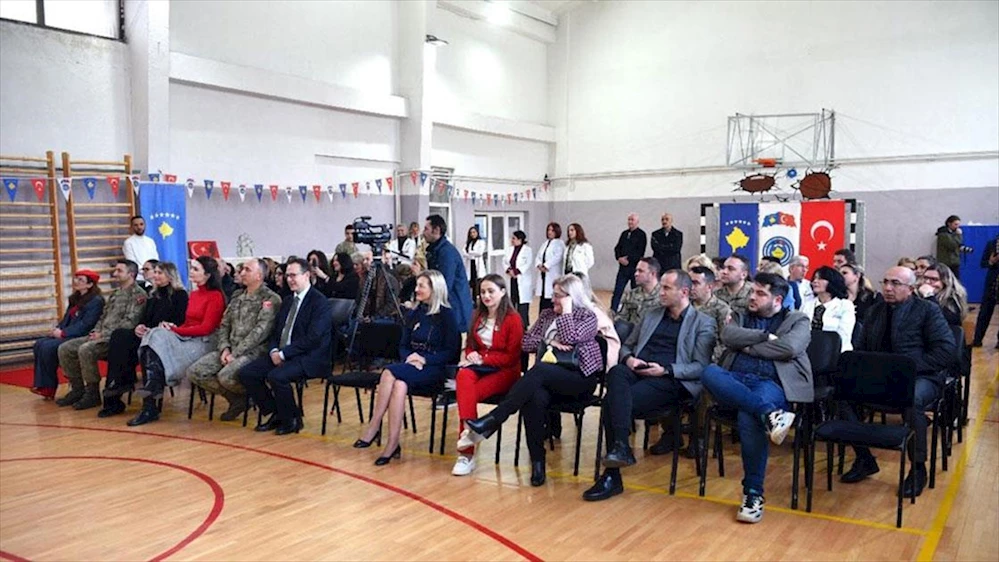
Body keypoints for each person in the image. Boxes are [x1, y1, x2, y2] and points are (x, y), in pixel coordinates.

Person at [583, 269, 716, 501]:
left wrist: (666, 369)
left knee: (612, 403)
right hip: (639, 371)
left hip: (671, 380)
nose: (660, 292)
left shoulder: (702, 323)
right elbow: (627, 345)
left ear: (684, 292)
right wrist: (629, 359)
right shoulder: (651, 314)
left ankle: (612, 474)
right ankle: (621, 448)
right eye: (661, 286)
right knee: (617, 372)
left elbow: (700, 366)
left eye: (666, 288)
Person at [462, 274, 603, 487]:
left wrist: (566, 312)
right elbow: (526, 343)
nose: (553, 299)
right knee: (533, 397)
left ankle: (494, 420)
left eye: (558, 296)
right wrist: (549, 341)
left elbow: (570, 338)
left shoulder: (587, 316)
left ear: (571, 296)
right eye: (553, 294)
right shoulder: (547, 315)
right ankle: (538, 462)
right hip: (547, 379)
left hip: (578, 378)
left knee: (539, 371)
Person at [700, 272, 812, 524]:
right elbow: (728, 336)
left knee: (747, 415)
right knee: (709, 372)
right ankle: (769, 414)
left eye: (760, 293)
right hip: (735, 379)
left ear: (777, 300)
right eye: (752, 291)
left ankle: (753, 494)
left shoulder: (798, 320)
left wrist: (747, 345)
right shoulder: (740, 314)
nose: (752, 297)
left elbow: (789, 348)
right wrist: (764, 336)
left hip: (772, 383)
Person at [839, 266, 954, 498]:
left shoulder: (927, 311)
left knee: (912, 400)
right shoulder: (875, 311)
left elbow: (946, 351)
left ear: (911, 288)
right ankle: (864, 458)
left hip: (921, 376)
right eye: (885, 282)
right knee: (841, 395)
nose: (888, 288)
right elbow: (861, 347)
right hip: (882, 375)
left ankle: (918, 467)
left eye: (895, 283)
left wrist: (907, 366)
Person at [354, 270, 461, 464]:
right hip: (412, 365)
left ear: (435, 289)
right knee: (399, 385)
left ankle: (374, 426)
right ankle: (392, 443)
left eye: (421, 286)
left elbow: (452, 352)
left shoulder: (447, 316)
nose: (416, 289)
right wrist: (410, 358)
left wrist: (425, 360)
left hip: (435, 368)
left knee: (388, 372)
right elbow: (403, 345)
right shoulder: (415, 313)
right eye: (417, 285)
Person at [127, 256, 226, 426]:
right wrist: (172, 327)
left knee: (155, 338)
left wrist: (176, 330)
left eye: (196, 269)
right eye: (192, 268)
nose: (191, 272)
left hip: (205, 341)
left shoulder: (215, 296)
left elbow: (206, 328)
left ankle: (150, 398)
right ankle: (151, 395)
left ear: (208, 275)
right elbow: (188, 323)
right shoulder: (194, 294)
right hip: (189, 336)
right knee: (155, 333)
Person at [239, 258, 333, 435]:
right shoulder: (288, 301)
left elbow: (313, 338)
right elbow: (276, 331)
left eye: (293, 275)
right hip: (283, 352)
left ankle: (291, 420)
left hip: (309, 357)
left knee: (277, 376)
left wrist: (283, 354)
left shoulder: (319, 302)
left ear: (306, 275)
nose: (289, 279)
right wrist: (275, 350)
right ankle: (277, 412)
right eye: (287, 275)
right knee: (247, 373)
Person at [187, 258, 282, 421]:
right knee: (196, 372)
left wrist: (235, 354)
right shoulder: (238, 296)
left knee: (226, 376)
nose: (242, 273)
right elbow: (225, 324)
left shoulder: (270, 299)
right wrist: (225, 348)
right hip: (230, 349)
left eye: (247, 270)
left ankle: (257, 395)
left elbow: (260, 332)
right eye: (242, 269)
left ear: (259, 276)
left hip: (254, 352)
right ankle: (239, 400)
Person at [450, 274, 525, 475]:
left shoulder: (513, 319)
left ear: (503, 292)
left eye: (491, 291)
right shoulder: (477, 315)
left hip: (505, 371)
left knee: (466, 394)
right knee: (463, 376)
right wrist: (470, 354)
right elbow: (470, 345)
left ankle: (466, 453)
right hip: (481, 368)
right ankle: (473, 433)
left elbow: (511, 357)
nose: (486, 296)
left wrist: (483, 359)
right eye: (482, 292)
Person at [99, 262, 188, 417]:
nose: (156, 275)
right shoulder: (153, 295)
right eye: (156, 272)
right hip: (149, 333)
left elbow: (179, 320)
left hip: (166, 337)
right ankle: (117, 385)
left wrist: (163, 327)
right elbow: (146, 319)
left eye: (160, 273)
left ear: (170, 276)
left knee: (141, 346)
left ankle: (144, 401)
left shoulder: (179, 295)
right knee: (119, 335)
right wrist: (140, 327)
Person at [55, 261, 147, 409]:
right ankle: (78, 389)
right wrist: (96, 331)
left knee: (86, 349)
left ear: (131, 274)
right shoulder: (115, 294)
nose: (115, 274)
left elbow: (130, 323)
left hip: (116, 340)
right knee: (65, 348)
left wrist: (103, 334)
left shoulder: (138, 295)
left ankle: (92, 394)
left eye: (119, 271)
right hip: (100, 335)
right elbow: (103, 317)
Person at [30, 270, 104, 400]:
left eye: (81, 280)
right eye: (76, 278)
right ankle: (43, 385)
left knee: (48, 347)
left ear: (90, 284)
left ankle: (49, 387)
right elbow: (67, 318)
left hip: (82, 335)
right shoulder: (75, 299)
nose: (76, 282)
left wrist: (63, 333)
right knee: (39, 344)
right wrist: (58, 329)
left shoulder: (96, 301)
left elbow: (86, 324)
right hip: (69, 333)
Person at [424, 214, 472, 332]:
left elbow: (444, 285)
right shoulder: (437, 250)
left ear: (436, 230)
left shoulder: (446, 253)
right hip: (449, 306)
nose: (423, 233)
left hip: (455, 309)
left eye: (426, 229)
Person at [801, 266, 855, 353]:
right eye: (814, 278)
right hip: (808, 350)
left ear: (832, 282)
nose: (815, 281)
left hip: (837, 352)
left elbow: (844, 334)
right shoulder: (807, 304)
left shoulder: (845, 305)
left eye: (820, 278)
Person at [611, 214, 647, 312]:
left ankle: (635, 312)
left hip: (634, 268)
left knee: (635, 292)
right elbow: (617, 248)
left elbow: (640, 252)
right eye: (629, 220)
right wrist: (619, 258)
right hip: (623, 268)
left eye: (632, 220)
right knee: (618, 291)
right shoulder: (624, 233)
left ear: (637, 222)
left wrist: (628, 260)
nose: (630, 222)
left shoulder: (641, 235)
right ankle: (613, 311)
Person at [918, 263, 968, 328]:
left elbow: (945, 320)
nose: (927, 282)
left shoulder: (953, 297)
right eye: (925, 278)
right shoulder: (916, 293)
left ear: (945, 282)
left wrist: (929, 296)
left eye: (934, 279)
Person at [615, 257, 662, 325]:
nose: (636, 274)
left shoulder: (664, 296)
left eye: (641, 271)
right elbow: (621, 319)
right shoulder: (630, 295)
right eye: (636, 271)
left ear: (652, 274)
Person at [971, 235, 999, 348]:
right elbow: (983, 263)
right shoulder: (991, 244)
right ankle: (977, 339)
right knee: (984, 314)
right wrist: (991, 262)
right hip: (992, 285)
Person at [504, 231, 534, 329]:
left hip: (522, 279)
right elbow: (505, 261)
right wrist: (509, 270)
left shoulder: (527, 250)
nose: (512, 240)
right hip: (512, 279)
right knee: (512, 302)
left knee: (522, 304)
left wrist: (516, 271)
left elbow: (528, 263)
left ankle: (523, 325)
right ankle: (513, 325)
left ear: (520, 240)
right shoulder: (509, 249)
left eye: (514, 238)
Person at [534, 222, 565, 314]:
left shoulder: (560, 243)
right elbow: (538, 256)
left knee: (551, 297)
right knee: (543, 297)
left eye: (552, 230)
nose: (549, 232)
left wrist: (546, 265)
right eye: (548, 230)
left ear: (557, 231)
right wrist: (539, 265)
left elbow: (557, 257)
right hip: (543, 275)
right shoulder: (545, 243)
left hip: (552, 273)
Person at [122, 215, 159, 282]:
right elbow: (132, 264)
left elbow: (155, 260)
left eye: (141, 224)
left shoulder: (150, 241)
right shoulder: (128, 242)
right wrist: (146, 271)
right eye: (136, 225)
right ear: (132, 227)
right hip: (139, 279)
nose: (139, 227)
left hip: (153, 276)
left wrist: (153, 272)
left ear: (145, 225)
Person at [936, 215, 969, 280]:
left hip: (954, 262)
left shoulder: (952, 233)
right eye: (955, 224)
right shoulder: (943, 234)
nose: (957, 227)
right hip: (947, 262)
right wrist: (959, 235)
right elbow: (952, 245)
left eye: (958, 225)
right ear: (949, 224)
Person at [462, 226, 488, 303]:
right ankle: (473, 301)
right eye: (471, 233)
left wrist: (470, 253)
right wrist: (471, 254)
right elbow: (464, 252)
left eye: (474, 232)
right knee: (472, 283)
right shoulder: (468, 243)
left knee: (478, 283)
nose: (472, 234)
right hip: (470, 264)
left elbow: (479, 253)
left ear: (477, 233)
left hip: (477, 264)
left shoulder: (481, 242)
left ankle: (479, 301)